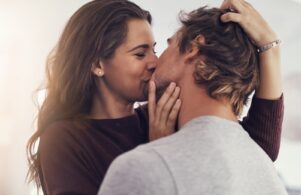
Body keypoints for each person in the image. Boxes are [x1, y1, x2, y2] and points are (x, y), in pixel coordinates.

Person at [26, 0, 283, 194]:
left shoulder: (161, 109)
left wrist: (269, 49)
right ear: (97, 64)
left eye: (155, 49)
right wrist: (158, 150)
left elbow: (253, 146)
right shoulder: (65, 139)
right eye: (140, 54)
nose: (154, 62)